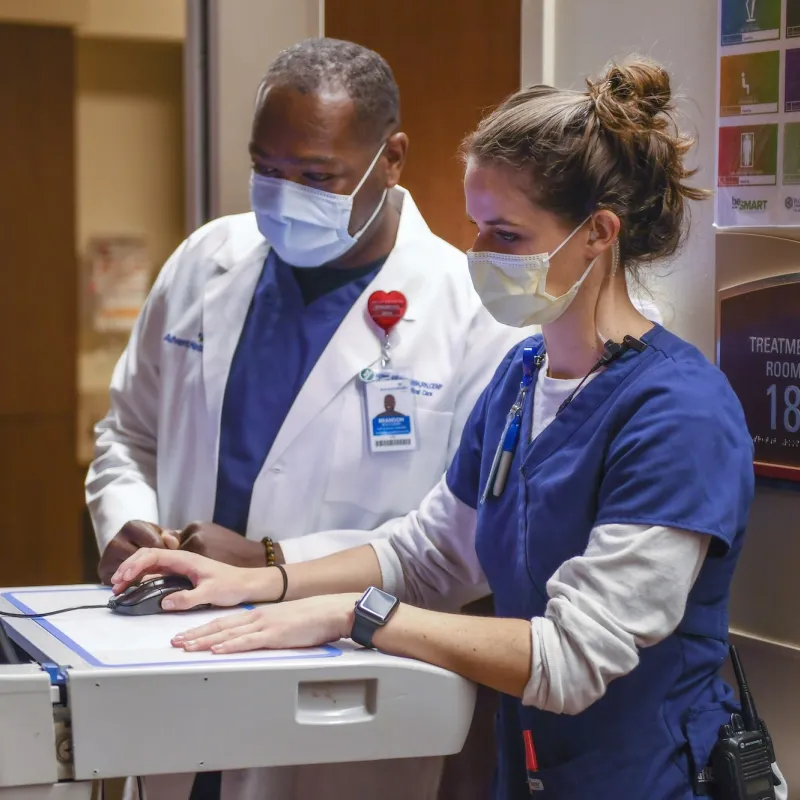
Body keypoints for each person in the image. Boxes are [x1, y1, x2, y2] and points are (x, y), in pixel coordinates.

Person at [111, 56, 787, 800]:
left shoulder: (678, 413)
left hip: (647, 780)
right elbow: (429, 550)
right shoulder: (523, 378)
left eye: (506, 234)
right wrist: (260, 579)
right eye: (477, 230)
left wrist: (358, 615)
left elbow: (570, 657)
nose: (479, 257)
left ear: (597, 234)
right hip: (527, 776)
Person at [86, 37, 535, 800]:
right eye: (267, 167)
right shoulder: (206, 261)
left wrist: (272, 562)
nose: (284, 194)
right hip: (176, 655)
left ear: (390, 158)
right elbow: (127, 434)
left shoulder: (474, 314)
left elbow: (461, 548)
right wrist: (127, 523)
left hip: (348, 699)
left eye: (317, 176)